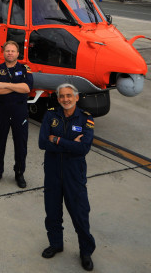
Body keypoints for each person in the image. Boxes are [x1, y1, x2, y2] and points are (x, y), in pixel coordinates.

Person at [38, 83, 96, 271]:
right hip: (53, 172)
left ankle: (85, 252)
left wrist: (57, 139)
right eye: (62, 96)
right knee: (52, 212)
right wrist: (70, 143)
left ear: (76, 97)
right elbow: (42, 142)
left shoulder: (86, 119)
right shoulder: (50, 115)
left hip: (74, 174)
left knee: (80, 214)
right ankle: (56, 244)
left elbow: (83, 148)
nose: (65, 99)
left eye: (69, 95)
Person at [0, 41, 34, 188]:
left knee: (20, 145)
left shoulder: (25, 68)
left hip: (19, 112)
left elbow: (27, 88)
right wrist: (15, 87)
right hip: (1, 111)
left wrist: (5, 85)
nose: (10, 53)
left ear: (18, 53)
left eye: (13, 51)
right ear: (3, 53)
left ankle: (19, 173)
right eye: (7, 51)